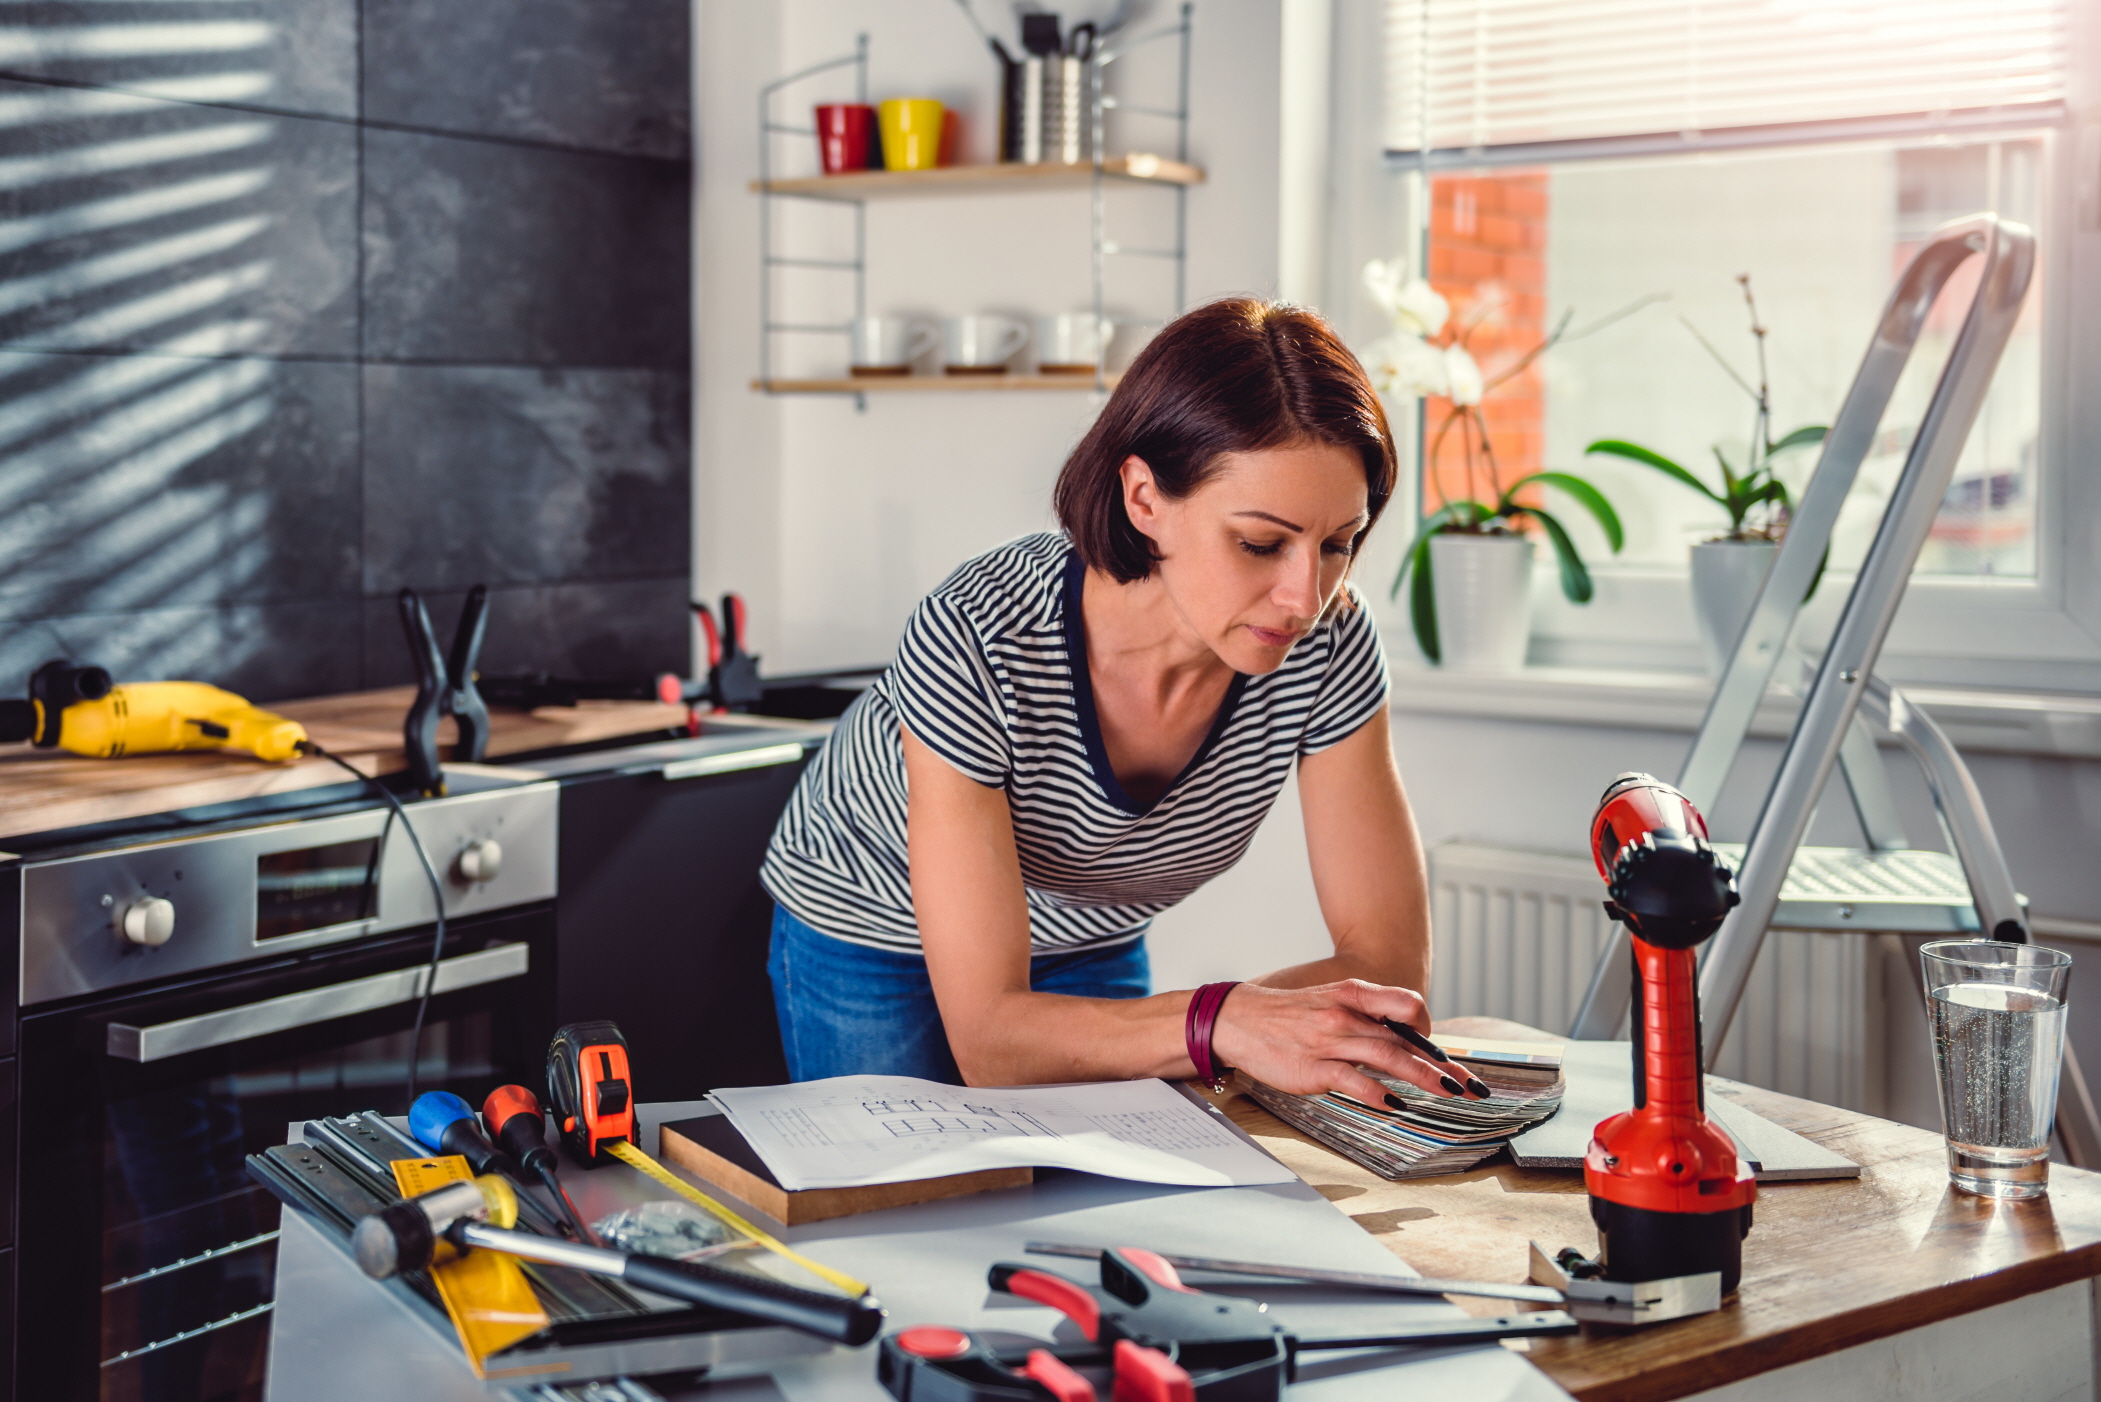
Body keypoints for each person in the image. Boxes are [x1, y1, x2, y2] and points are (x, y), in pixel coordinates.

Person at [760, 297, 1466, 1108]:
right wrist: (1217, 1023)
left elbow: (1387, 966)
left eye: (1338, 544)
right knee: (898, 1205)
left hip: (1088, 934)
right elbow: (992, 1038)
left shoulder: (1329, 642)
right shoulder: (979, 632)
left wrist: (1230, 1024)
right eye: (1259, 543)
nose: (1303, 597)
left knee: (1092, 1204)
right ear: (1144, 500)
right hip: (874, 930)